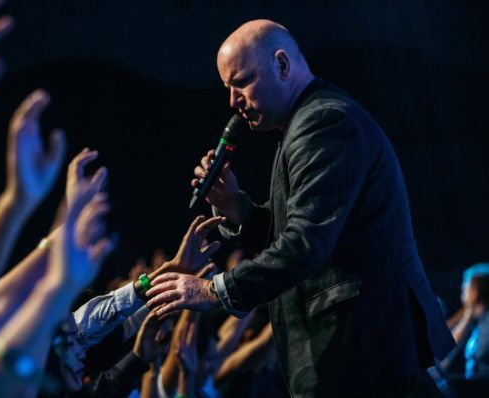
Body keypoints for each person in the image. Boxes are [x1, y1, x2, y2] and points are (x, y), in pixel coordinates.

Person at [145, 19, 455, 397]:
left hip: (361, 353)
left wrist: (214, 290)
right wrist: (236, 207)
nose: (232, 101)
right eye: (227, 87)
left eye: (241, 82)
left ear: (282, 64)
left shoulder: (324, 123)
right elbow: (295, 234)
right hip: (357, 355)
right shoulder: (303, 125)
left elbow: (305, 243)